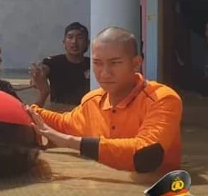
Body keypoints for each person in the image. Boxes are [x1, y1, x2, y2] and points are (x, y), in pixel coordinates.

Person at [27, 27, 182, 174]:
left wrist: (70, 142)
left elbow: (146, 156)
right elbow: (62, 124)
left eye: (115, 63)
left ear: (136, 64)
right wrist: (26, 110)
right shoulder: (92, 101)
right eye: (97, 63)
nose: (105, 73)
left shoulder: (162, 98)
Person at [30, 22, 91, 107]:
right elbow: (44, 69)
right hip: (59, 113)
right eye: (70, 37)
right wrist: (37, 74)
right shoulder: (53, 62)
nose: (74, 42)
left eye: (79, 37)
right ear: (64, 42)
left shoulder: (92, 64)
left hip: (84, 112)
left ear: (87, 43)